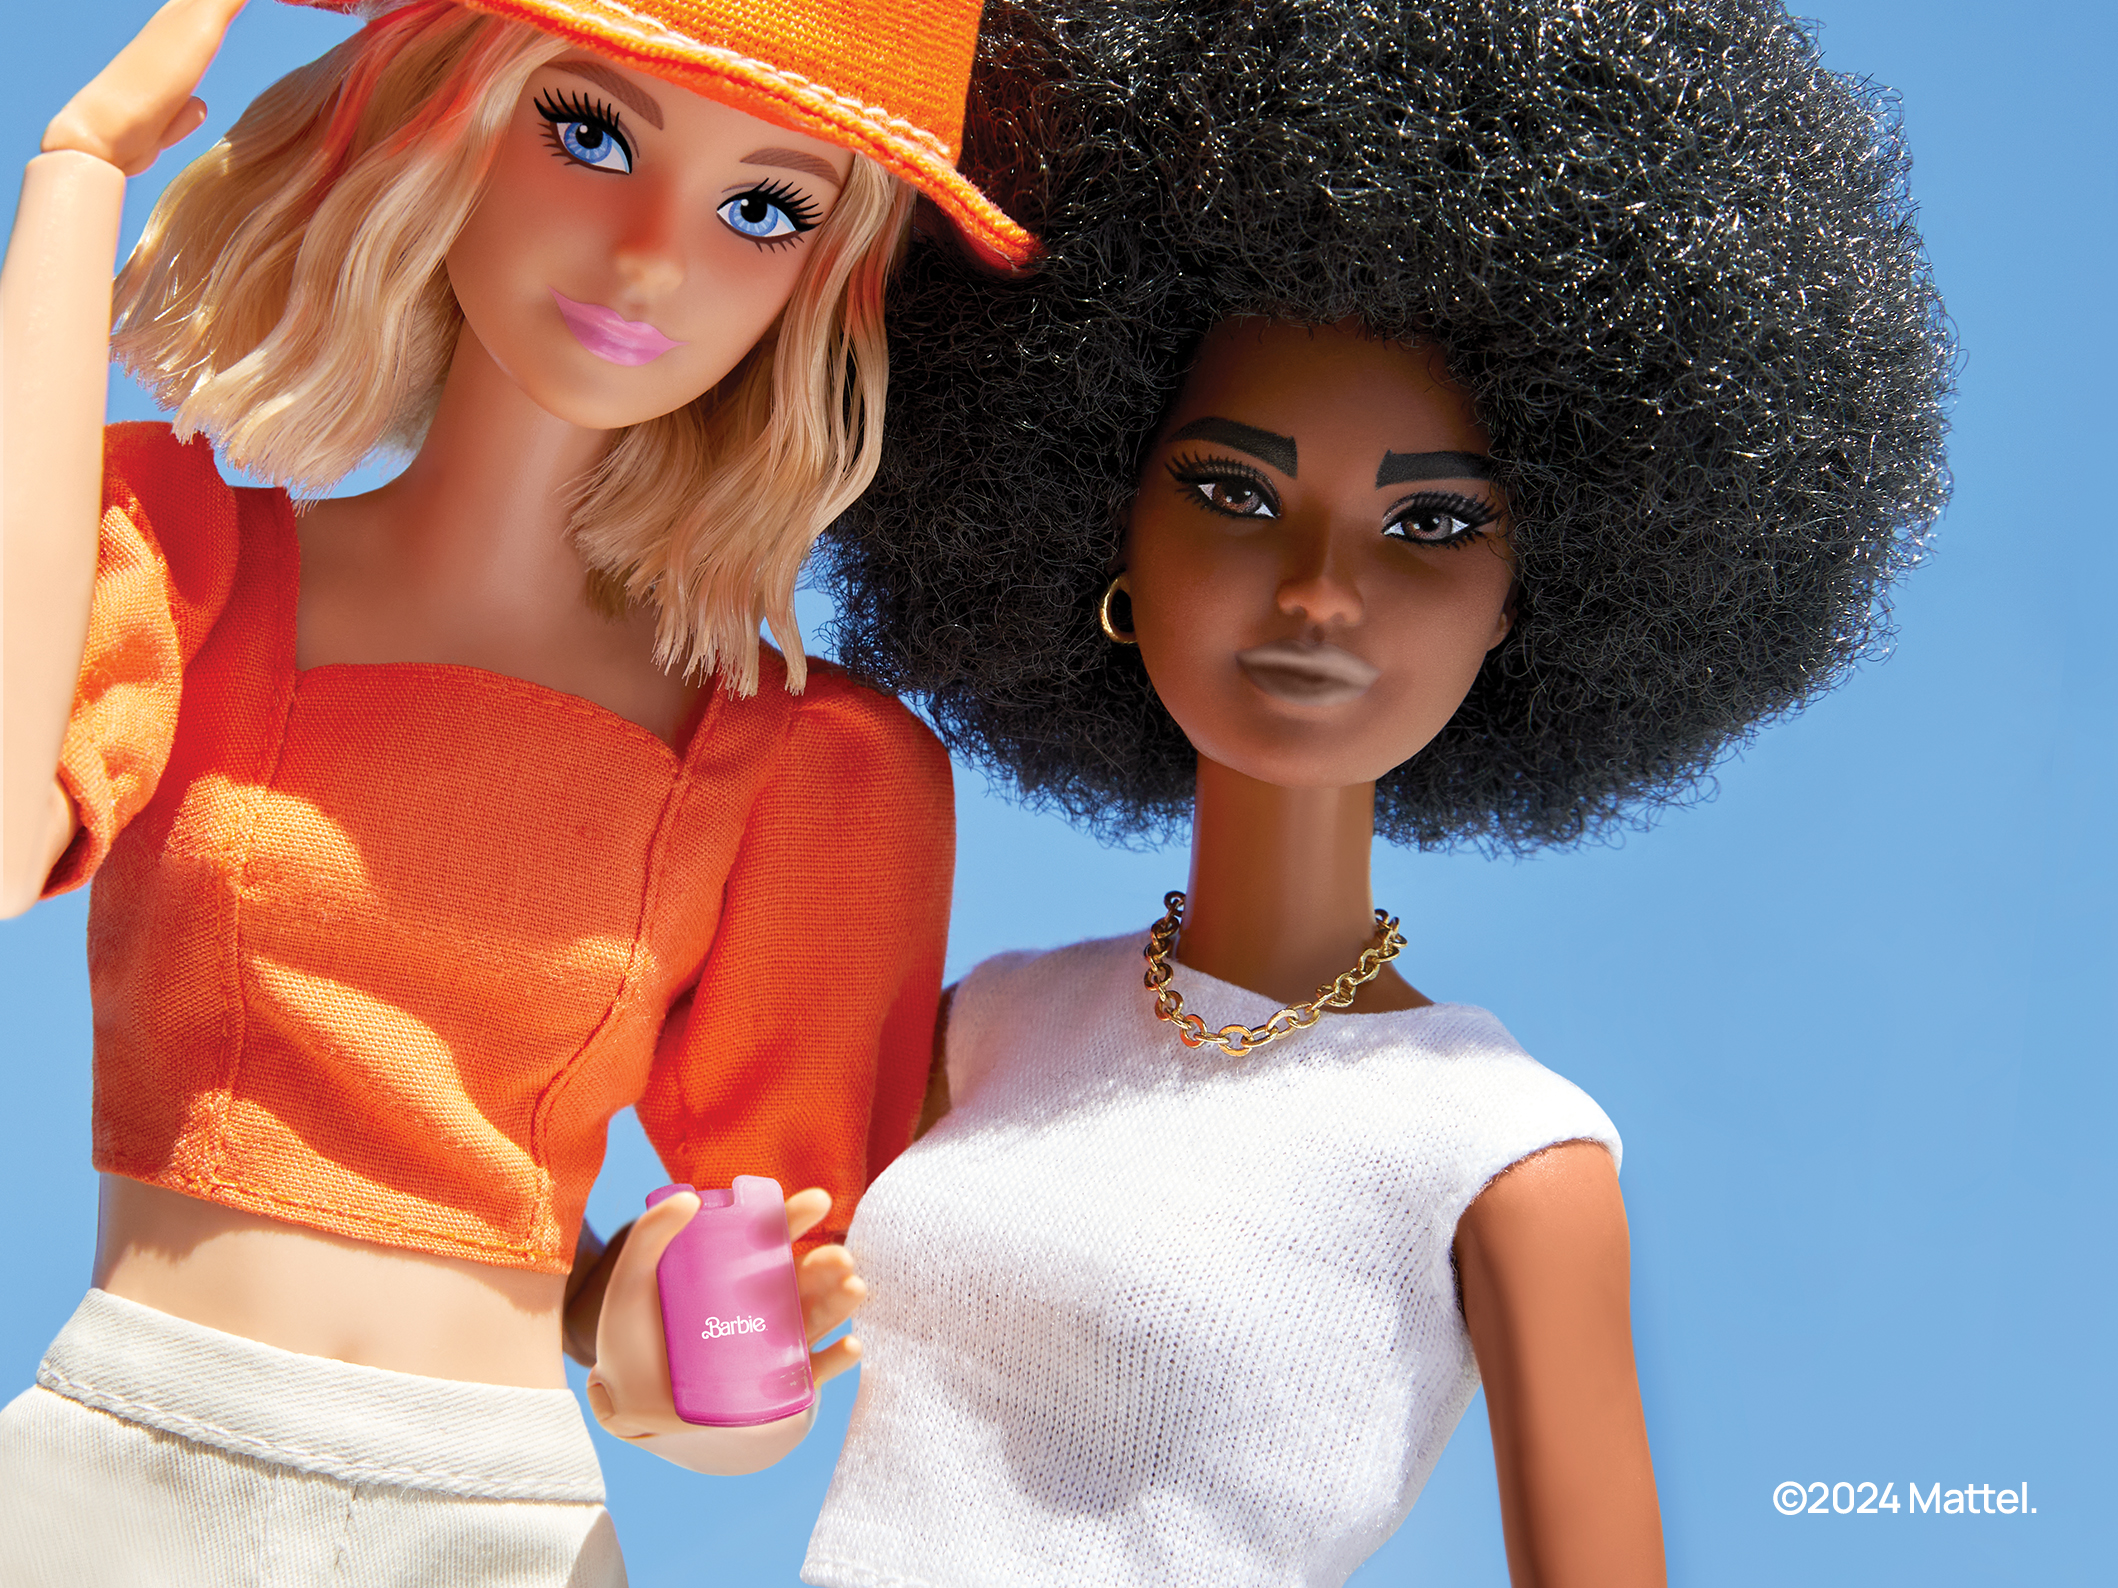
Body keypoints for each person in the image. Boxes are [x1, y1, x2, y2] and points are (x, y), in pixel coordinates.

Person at [800, 1, 1952, 1584]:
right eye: (1231, 492)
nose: (1318, 593)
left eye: (1429, 528)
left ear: (1528, 600)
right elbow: (736, 1358)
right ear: (1096, 515)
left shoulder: (1501, 1151)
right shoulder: (984, 1026)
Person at [0, 0, 1029, 1580]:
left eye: (765, 209)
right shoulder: (188, 567)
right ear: (443, 118)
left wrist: (663, 1350)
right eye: (588, 133)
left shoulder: (810, 770)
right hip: (111, 1476)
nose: (649, 257)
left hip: (499, 1528)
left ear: (826, 282)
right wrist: (78, 176)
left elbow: (753, 1370)